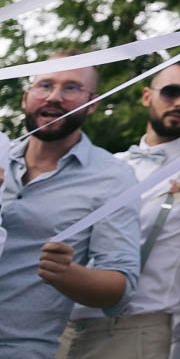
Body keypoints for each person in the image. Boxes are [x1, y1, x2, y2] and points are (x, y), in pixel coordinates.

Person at [61, 59, 180, 359]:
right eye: (171, 92)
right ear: (147, 96)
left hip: (134, 330)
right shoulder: (113, 164)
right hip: (65, 325)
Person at [0, 53, 141, 358]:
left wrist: (68, 274)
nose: (54, 97)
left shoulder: (112, 178)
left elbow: (120, 284)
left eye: (71, 88)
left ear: (93, 103)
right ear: (26, 98)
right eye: (45, 85)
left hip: (19, 348)